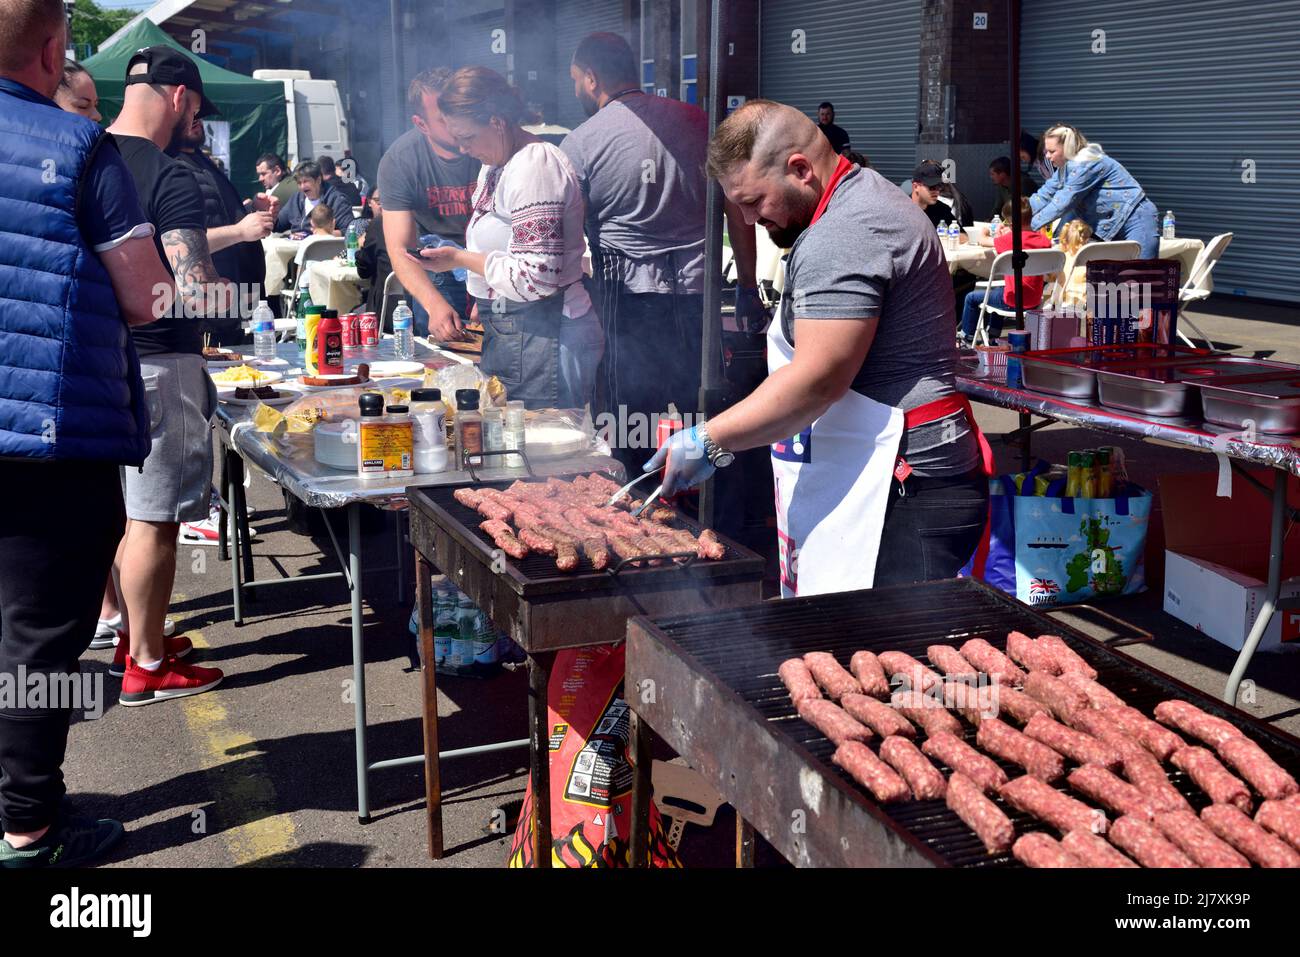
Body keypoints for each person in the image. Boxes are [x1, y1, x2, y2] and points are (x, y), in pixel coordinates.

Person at [648, 100, 991, 596]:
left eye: (753, 200)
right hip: (897, 472)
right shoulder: (859, 199)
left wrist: (710, 438)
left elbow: (817, 380)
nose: (744, 219)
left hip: (903, 485)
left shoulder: (844, 232)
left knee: (879, 659)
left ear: (800, 169)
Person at [0, 0, 176, 868]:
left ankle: (20, 805)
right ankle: (30, 828)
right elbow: (150, 298)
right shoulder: (78, 148)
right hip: (50, 435)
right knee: (43, 640)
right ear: (52, 45)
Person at [561, 32, 759, 472]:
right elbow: (737, 209)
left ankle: (636, 494)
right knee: (700, 405)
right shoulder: (699, 123)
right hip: (696, 299)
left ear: (592, 78)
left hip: (625, 302)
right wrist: (748, 286)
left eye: (576, 79)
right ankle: (704, 497)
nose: (575, 89)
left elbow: (568, 238)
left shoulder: (582, 142)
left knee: (627, 415)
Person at [104, 44, 226, 705]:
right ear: (180, 96)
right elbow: (195, 287)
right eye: (197, 107)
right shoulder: (170, 173)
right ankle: (146, 665)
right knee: (156, 518)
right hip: (160, 362)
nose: (195, 121)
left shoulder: (86, 155)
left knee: (128, 515)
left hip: (102, 362)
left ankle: (135, 634)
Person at [411, 66, 602, 409]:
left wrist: (458, 259)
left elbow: (536, 277)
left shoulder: (535, 166)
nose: (463, 148)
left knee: (545, 448)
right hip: (517, 333)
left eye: (467, 137)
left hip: (549, 335)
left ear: (497, 122)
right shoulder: (496, 162)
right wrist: (480, 299)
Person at [378, 67, 481, 340]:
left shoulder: (487, 140)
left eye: (459, 112)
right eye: (443, 117)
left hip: (492, 258)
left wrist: (492, 287)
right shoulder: (401, 160)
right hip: (437, 264)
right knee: (444, 357)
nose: (457, 124)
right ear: (421, 124)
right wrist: (434, 304)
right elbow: (401, 248)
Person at [174, 114, 275, 344]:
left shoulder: (202, 162)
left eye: (198, 111)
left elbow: (219, 217)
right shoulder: (170, 167)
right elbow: (176, 241)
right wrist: (240, 231)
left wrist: (253, 213)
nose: (195, 116)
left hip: (232, 309)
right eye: (188, 110)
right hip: (202, 317)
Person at [1030, 124, 1159, 258]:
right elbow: (1044, 194)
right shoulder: (1065, 169)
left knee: (1142, 273)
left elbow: (1062, 203)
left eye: (1052, 151)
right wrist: (1015, 217)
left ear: (1067, 147)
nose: (1048, 157)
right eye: (1046, 152)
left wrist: (1025, 226)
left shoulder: (1087, 163)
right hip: (1113, 225)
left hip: (1136, 219)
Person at [958, 197, 1053, 345]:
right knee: (999, 290)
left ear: (1010, 222)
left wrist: (985, 231)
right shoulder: (1043, 241)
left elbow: (983, 240)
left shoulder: (1010, 240)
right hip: (1034, 300)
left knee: (971, 298)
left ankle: (967, 336)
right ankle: (993, 335)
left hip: (1012, 301)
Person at [274, 160, 354, 236]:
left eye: (306, 181)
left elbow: (350, 231)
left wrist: (324, 234)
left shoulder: (336, 200)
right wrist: (271, 213)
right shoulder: (296, 199)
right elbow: (278, 225)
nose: (302, 187)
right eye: (299, 183)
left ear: (318, 180)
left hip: (323, 247)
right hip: (296, 247)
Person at [355, 189, 393, 316]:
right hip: (422, 310)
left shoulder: (378, 224)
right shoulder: (428, 223)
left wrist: (360, 249)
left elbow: (364, 272)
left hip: (384, 312)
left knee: (352, 315)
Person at [910, 160, 973, 232]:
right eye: (932, 187)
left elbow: (963, 236)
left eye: (939, 186)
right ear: (916, 187)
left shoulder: (942, 209)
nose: (937, 191)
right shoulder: (902, 209)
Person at [1053, 219, 1094, 312]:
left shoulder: (1060, 259)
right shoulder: (1088, 261)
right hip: (1084, 305)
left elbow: (1049, 279)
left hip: (1062, 304)